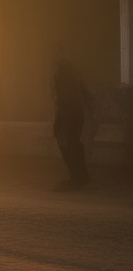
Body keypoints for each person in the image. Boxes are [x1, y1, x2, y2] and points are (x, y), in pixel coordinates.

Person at [51, 58, 92, 190]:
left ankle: (76, 177)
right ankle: (80, 176)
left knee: (70, 144)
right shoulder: (72, 79)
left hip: (69, 113)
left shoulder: (60, 79)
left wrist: (57, 123)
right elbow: (87, 95)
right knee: (73, 144)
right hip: (74, 113)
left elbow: (61, 101)